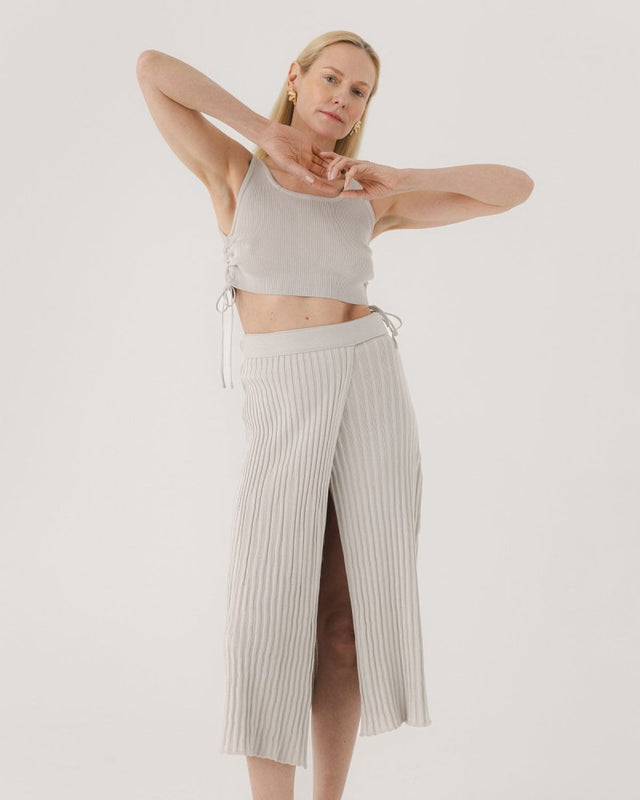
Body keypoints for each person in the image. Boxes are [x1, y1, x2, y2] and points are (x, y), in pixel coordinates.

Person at [136, 30, 534, 800]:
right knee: (269, 615)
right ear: (297, 77)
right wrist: (267, 133)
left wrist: (401, 178)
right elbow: (153, 70)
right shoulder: (238, 172)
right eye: (331, 78)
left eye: (359, 91)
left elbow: (513, 187)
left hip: (370, 382)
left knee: (348, 626)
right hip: (286, 391)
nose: (342, 98)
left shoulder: (368, 199)